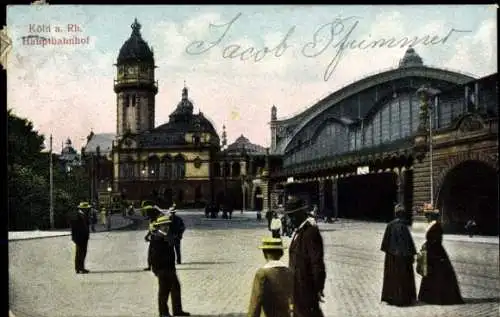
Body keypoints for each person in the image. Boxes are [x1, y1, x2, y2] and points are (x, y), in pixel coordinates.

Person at [284, 196, 326, 317]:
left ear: (300, 214)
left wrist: (318, 287)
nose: (290, 219)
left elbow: (317, 262)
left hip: (306, 287)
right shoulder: (300, 231)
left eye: (292, 216)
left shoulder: (310, 232)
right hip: (297, 286)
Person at [418, 209, 464, 305]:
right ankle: (429, 297)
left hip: (436, 252)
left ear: (432, 217)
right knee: (431, 273)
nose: (427, 218)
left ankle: (437, 297)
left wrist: (427, 245)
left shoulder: (436, 226)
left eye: (428, 216)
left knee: (437, 274)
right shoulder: (432, 225)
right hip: (432, 252)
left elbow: (435, 241)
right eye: (427, 216)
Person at [149, 214, 190, 317]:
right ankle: (163, 312)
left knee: (176, 288)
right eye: (163, 225)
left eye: (167, 225)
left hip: (170, 268)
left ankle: (177, 310)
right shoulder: (156, 238)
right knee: (164, 291)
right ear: (159, 226)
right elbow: (153, 255)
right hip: (162, 269)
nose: (166, 227)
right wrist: (156, 270)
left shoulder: (168, 236)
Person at [380, 204, 417, 307]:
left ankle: (391, 297)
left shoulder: (390, 225)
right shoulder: (404, 226)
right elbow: (409, 245)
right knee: (403, 278)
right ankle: (404, 298)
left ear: (395, 214)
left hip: (392, 257)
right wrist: (411, 256)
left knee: (392, 277)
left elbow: (385, 244)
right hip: (403, 258)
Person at [247, 237, 294, 317]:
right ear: (281, 253)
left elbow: (255, 303)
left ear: (265, 253)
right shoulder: (289, 272)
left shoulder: (262, 274)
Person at [71, 202, 91, 274]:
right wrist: (74, 238)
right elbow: (74, 228)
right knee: (79, 253)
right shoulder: (76, 215)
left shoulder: (84, 215)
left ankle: (80, 268)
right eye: (86, 209)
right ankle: (79, 268)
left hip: (84, 237)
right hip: (79, 238)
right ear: (82, 209)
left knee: (83, 253)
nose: (87, 210)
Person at [144, 205, 162, 271]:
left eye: (147, 213)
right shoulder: (151, 219)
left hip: (158, 238)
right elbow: (151, 229)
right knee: (150, 253)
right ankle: (149, 266)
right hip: (153, 238)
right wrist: (147, 235)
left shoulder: (158, 220)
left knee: (156, 253)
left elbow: (159, 230)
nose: (147, 214)